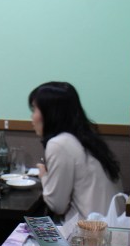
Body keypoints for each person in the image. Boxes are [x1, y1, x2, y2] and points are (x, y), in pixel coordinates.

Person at [28, 81, 122, 222]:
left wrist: (44, 176)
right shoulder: (86, 139)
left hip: (90, 235)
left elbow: (57, 205)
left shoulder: (59, 143)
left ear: (50, 113)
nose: (32, 117)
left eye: (35, 109)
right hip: (112, 228)